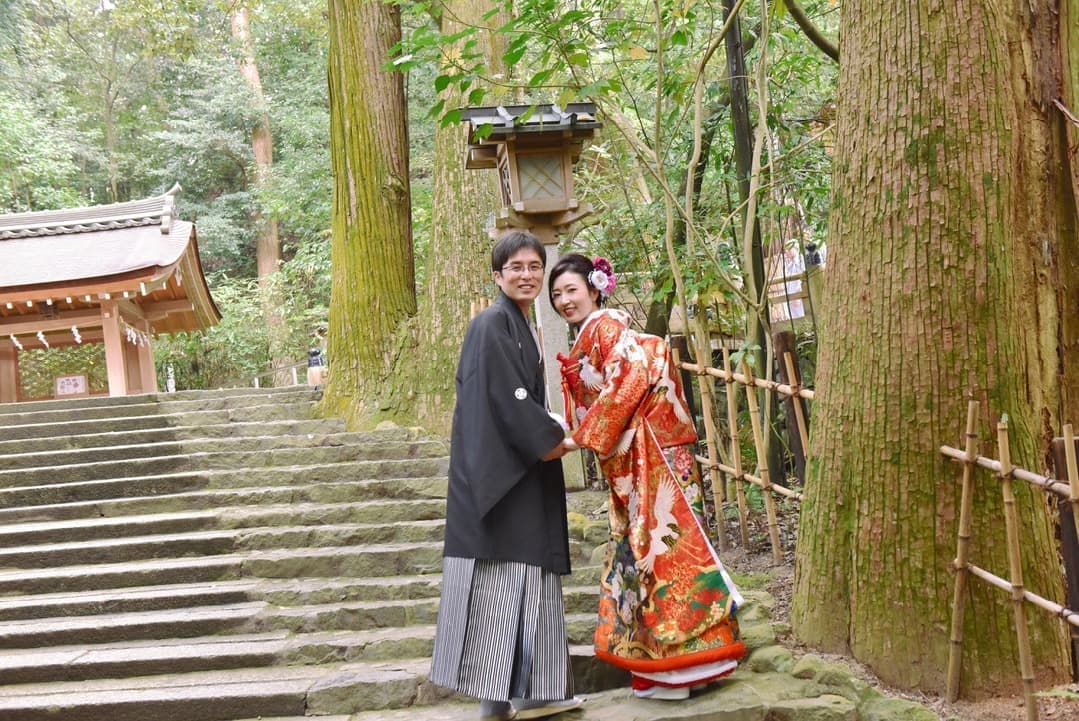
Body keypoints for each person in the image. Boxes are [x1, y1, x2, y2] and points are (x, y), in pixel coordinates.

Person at [548, 253, 746, 700]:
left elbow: (629, 382)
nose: (564, 300)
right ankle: (699, 661)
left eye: (571, 290)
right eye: (557, 294)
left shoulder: (605, 327)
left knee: (662, 553)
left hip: (650, 456)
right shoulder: (597, 331)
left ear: (595, 289)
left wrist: (578, 438)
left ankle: (678, 670)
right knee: (672, 551)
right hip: (647, 454)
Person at [429, 231, 584, 721]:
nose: (526, 275)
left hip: (518, 477)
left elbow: (522, 399)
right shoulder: (492, 324)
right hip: (498, 481)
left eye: (534, 266)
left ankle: (534, 692)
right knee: (501, 585)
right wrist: (552, 439)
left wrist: (550, 433)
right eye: (515, 267)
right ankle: (495, 704)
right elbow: (507, 399)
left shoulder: (517, 323)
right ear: (497, 276)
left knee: (529, 583)